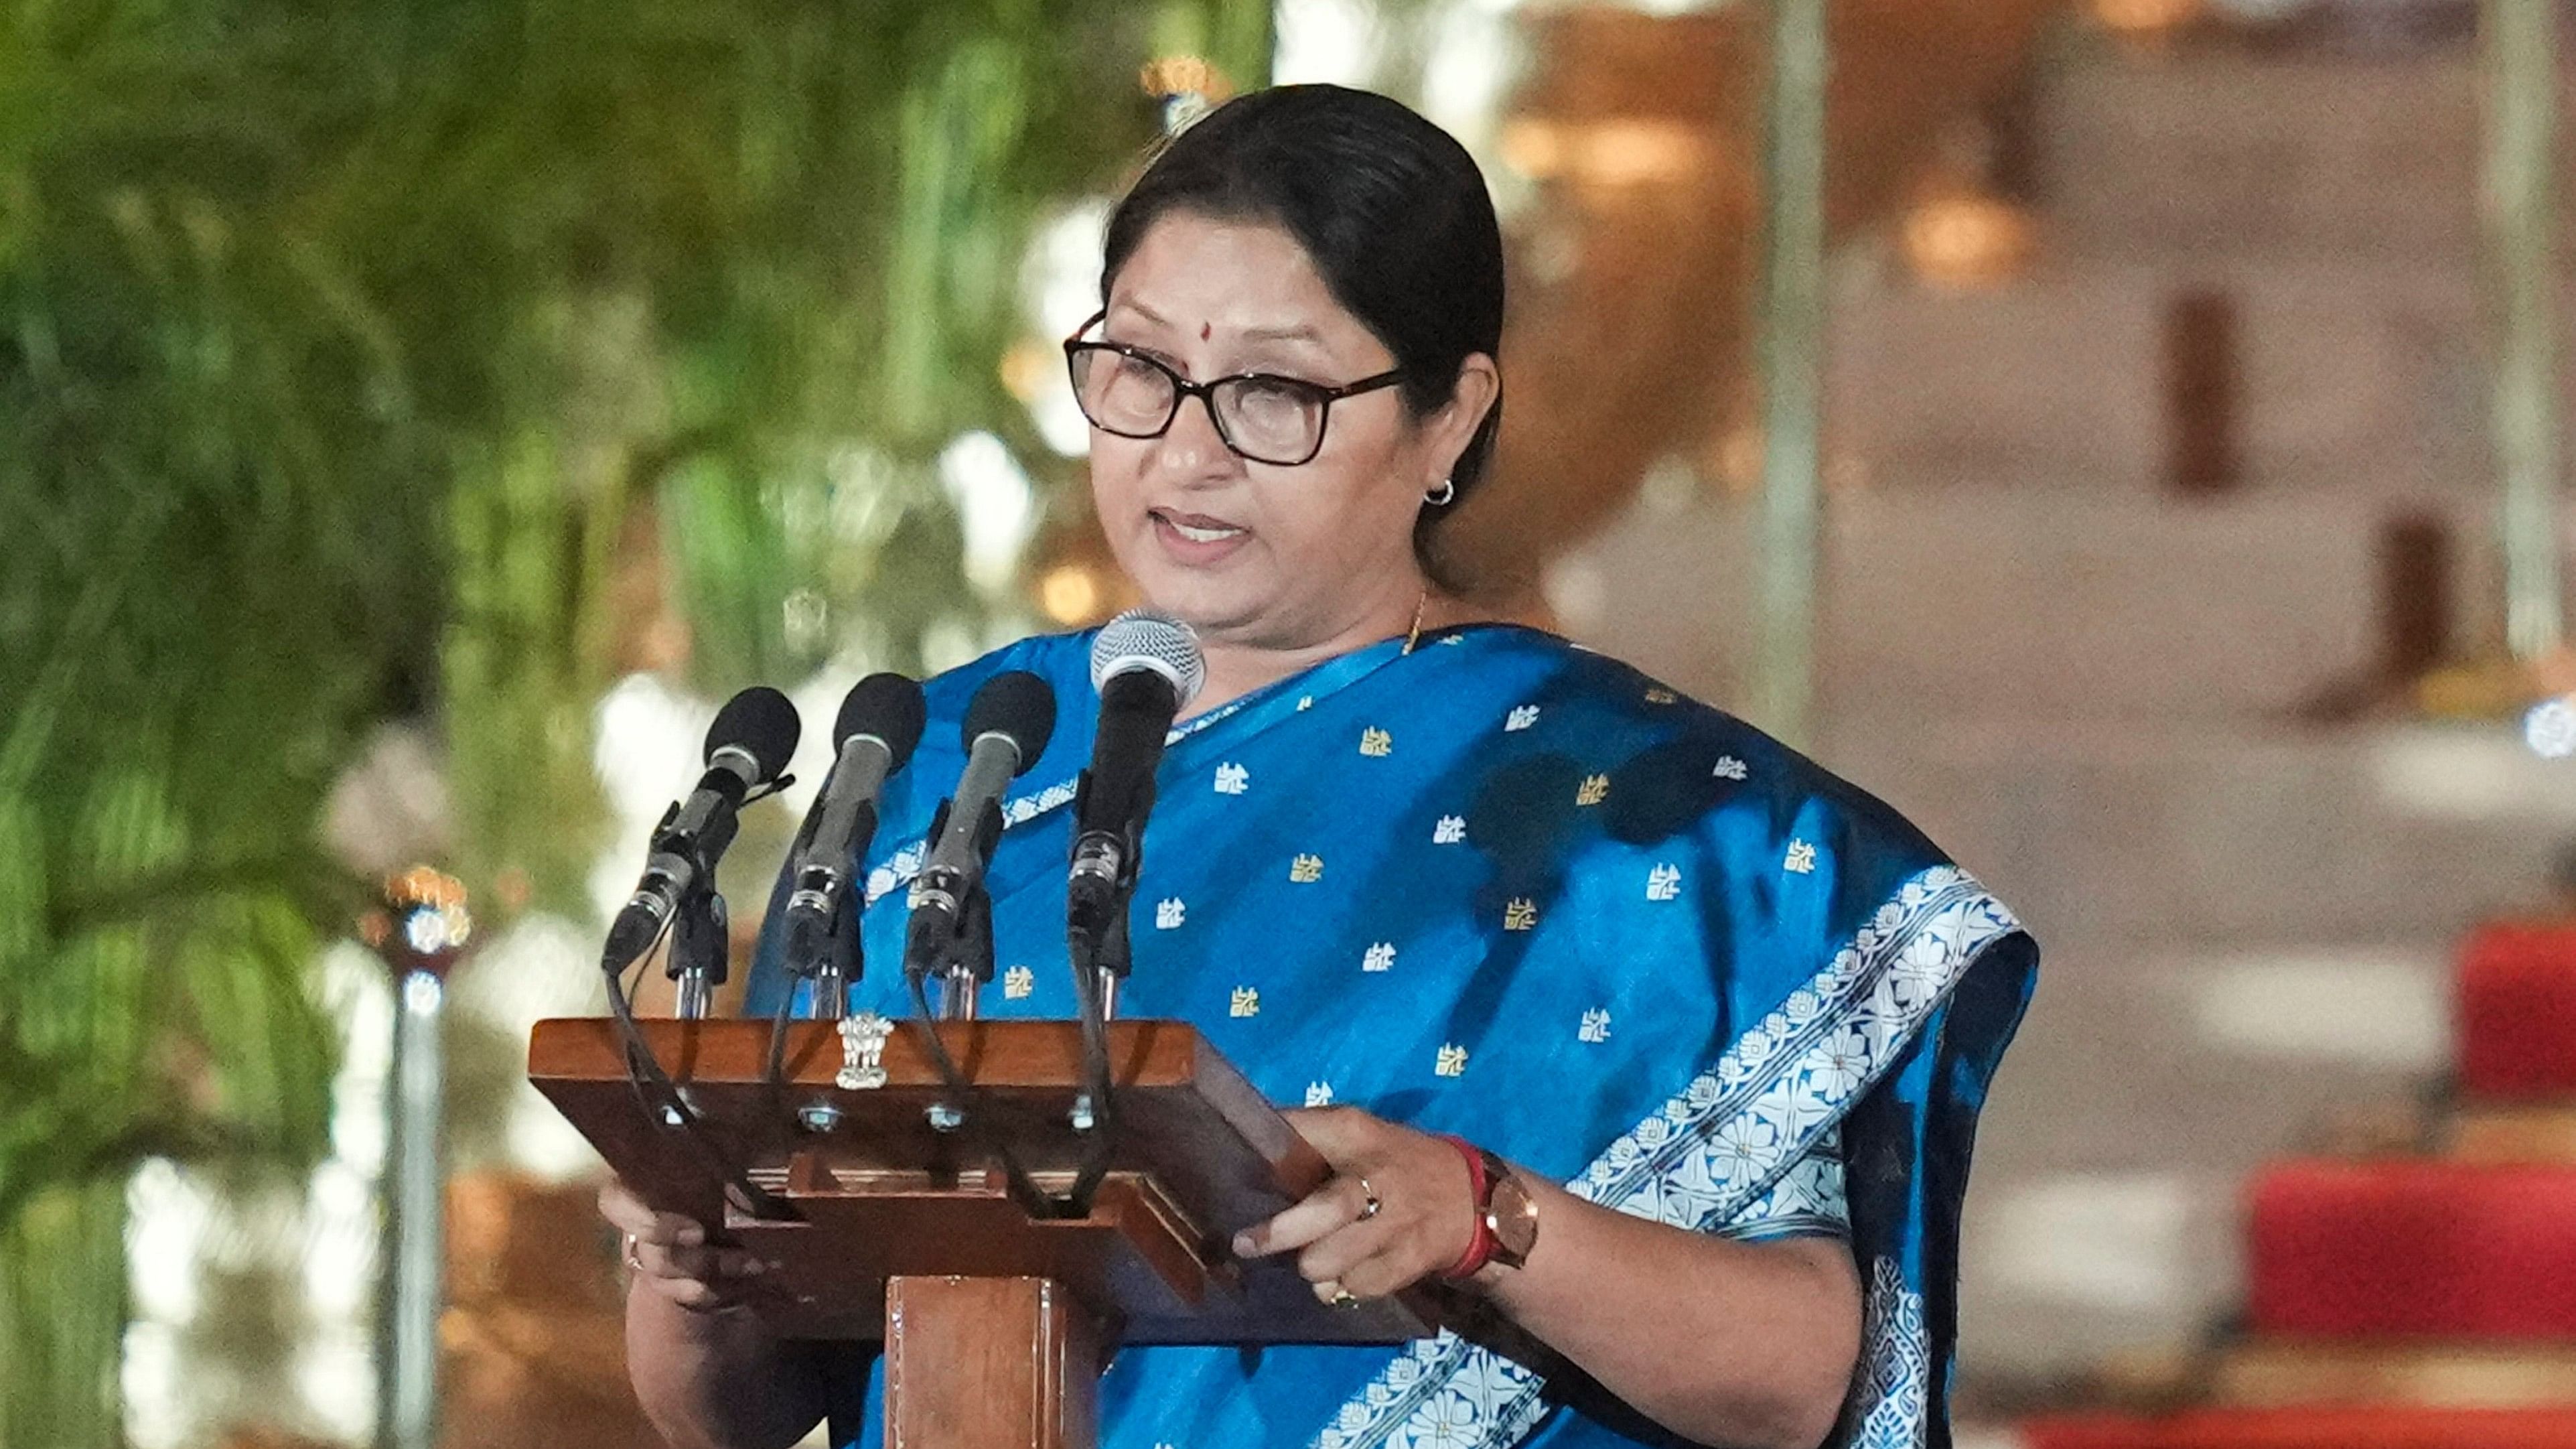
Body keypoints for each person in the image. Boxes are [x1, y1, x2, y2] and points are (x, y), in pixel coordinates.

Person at [599, 83, 2036, 1449]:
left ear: (1451, 416)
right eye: (1142, 368)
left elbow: (1810, 1387)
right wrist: (688, 1268)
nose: (1188, 453)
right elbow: (727, 1413)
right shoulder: (943, 777)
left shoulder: (1646, 828)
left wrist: (1492, 1220)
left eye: (1274, 392)